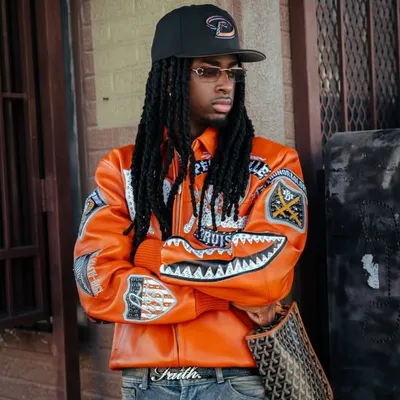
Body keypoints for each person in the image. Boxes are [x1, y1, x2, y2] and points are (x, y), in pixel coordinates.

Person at [74, 4, 308, 399]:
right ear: (170, 77)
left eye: (232, 71)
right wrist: (215, 295)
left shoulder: (272, 165)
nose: (226, 84)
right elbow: (96, 283)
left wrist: (151, 255)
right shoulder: (122, 169)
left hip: (234, 381)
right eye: (207, 70)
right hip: (146, 383)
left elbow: (268, 275)